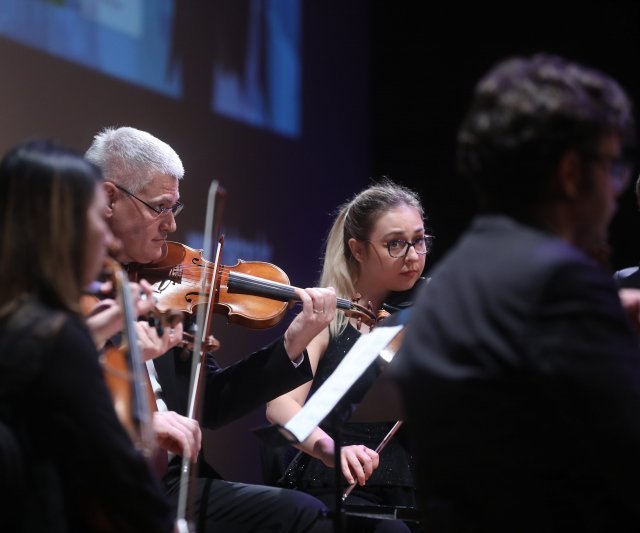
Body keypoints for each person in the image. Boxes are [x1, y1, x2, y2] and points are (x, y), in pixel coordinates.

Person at [390, 53, 640, 532]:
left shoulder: (449, 282)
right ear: (570, 173)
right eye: (611, 167)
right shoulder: (562, 285)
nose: (614, 193)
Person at [84, 126, 336, 532]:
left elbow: (213, 403)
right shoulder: (71, 286)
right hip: (110, 480)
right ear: (110, 197)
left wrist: (292, 343)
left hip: (175, 478)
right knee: (304, 516)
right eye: (159, 207)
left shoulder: (165, 289)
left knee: (311, 515)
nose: (170, 226)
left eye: (175, 209)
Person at [0, 138, 175, 532]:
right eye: (100, 221)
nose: (111, 241)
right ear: (62, 231)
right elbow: (122, 478)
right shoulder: (59, 341)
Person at [266, 180, 429, 533]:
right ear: (357, 249)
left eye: (419, 240)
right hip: (338, 487)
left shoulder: (428, 317)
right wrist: (331, 448)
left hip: (415, 489)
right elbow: (280, 406)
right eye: (396, 244)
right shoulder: (328, 319)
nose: (413, 256)